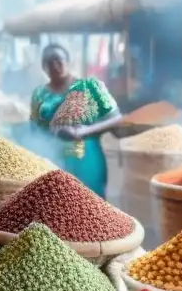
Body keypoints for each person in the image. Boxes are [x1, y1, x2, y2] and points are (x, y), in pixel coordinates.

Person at [30, 43, 122, 198]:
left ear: (68, 62)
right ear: (43, 67)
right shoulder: (39, 94)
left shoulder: (90, 86)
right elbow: (35, 127)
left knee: (91, 205)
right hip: (53, 159)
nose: (55, 66)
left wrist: (83, 131)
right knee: (58, 207)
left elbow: (116, 118)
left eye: (58, 60)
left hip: (87, 157)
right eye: (49, 63)